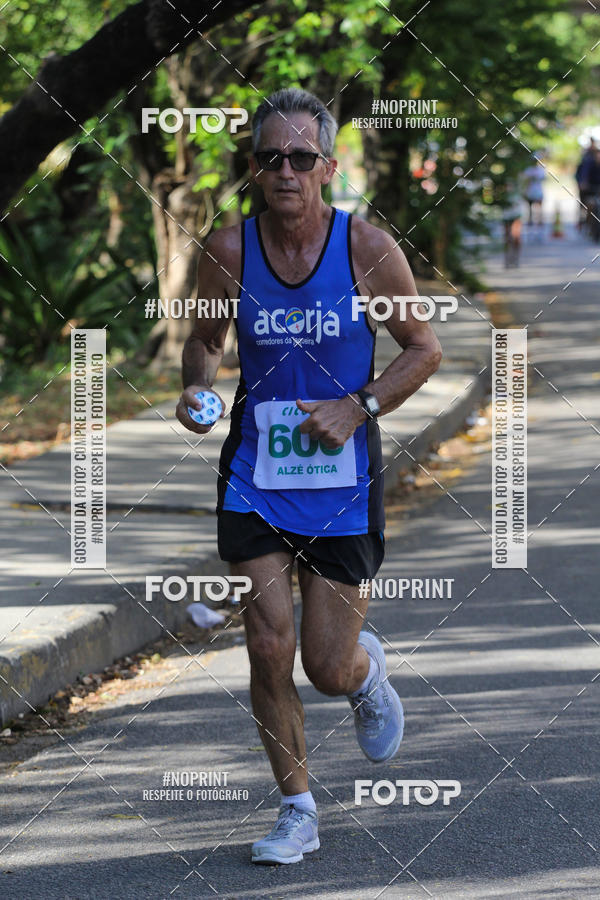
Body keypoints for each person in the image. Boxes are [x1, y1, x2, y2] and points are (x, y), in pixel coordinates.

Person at [175, 87, 442, 865]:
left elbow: (424, 349)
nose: (284, 170)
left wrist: (358, 406)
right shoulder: (228, 251)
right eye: (270, 158)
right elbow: (203, 343)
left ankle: (365, 676)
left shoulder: (367, 250)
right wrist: (197, 389)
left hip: (341, 481)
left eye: (300, 157)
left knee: (324, 666)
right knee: (266, 644)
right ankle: (297, 811)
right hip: (254, 471)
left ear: (327, 166)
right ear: (255, 169)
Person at [575, 138, 596, 230]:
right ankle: (583, 223)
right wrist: (582, 183)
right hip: (587, 187)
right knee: (585, 204)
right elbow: (582, 174)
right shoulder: (586, 160)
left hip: (595, 186)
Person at [522, 153, 546, 227]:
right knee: (529, 207)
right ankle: (530, 220)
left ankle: (540, 220)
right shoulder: (528, 170)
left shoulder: (541, 170)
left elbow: (544, 178)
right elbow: (525, 180)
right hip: (530, 190)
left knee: (539, 206)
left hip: (538, 190)